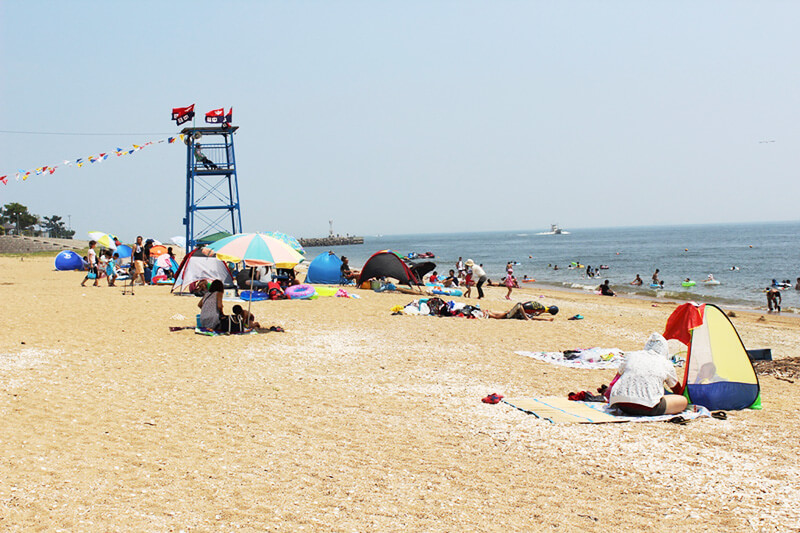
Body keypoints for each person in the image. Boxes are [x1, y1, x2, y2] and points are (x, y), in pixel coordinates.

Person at [608, 333, 688, 416]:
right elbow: (677, 389)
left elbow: (616, 378)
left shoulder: (631, 356)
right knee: (683, 401)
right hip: (648, 406)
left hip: (620, 403)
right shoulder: (665, 363)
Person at [485, 301, 559, 321]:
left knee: (506, 313)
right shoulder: (540, 308)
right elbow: (533, 317)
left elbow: (534, 314)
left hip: (516, 313)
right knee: (506, 314)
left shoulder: (540, 307)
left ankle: (489, 313)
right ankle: (490, 314)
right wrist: (526, 317)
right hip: (516, 313)